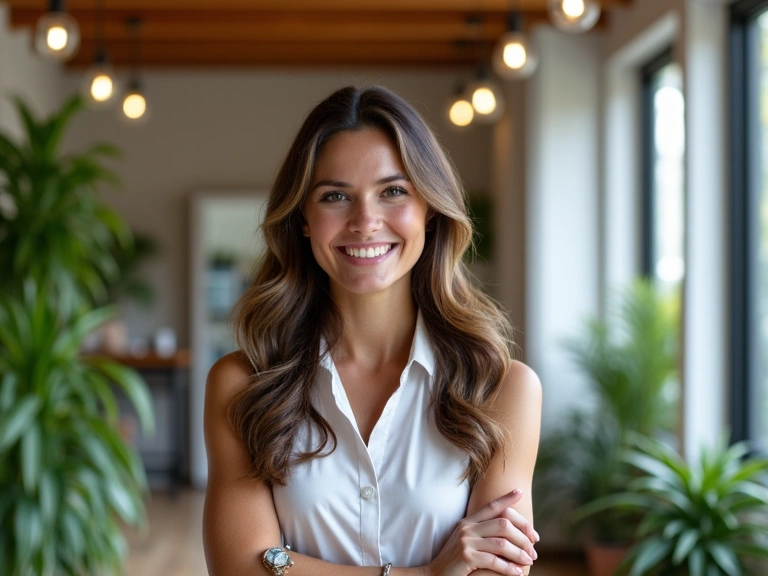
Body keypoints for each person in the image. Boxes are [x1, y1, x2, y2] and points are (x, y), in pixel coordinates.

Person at [203, 86, 542, 576]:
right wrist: (426, 574)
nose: (365, 222)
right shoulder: (242, 385)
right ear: (303, 218)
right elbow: (240, 567)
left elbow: (495, 570)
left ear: (429, 208)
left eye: (393, 191)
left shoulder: (502, 390)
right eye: (335, 196)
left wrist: (287, 566)